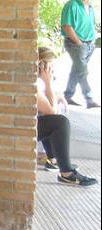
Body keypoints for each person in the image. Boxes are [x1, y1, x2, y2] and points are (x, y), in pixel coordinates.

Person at [36, 47, 97, 186]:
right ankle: (66, 173)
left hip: (22, 127)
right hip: (18, 130)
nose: (52, 71)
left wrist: (55, 94)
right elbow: (52, 111)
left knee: (50, 120)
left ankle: (53, 160)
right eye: (50, 67)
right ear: (41, 65)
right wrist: (48, 84)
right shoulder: (31, 83)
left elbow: (47, 108)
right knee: (60, 123)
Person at [60, 0, 99, 108]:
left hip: (90, 44)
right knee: (83, 71)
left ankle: (67, 96)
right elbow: (67, 26)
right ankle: (90, 99)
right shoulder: (71, 5)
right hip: (76, 44)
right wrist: (79, 42)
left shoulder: (89, 5)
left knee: (77, 70)